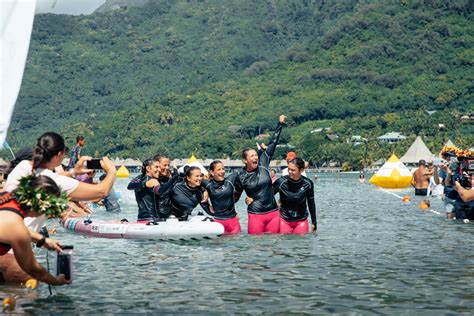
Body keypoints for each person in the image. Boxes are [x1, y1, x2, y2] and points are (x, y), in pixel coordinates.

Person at [1, 132, 117, 282]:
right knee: (23, 300)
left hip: (9, 245)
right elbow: (100, 192)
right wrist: (112, 172)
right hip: (12, 256)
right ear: (59, 154)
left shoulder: (22, 169)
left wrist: (42, 240)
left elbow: (50, 178)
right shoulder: (17, 224)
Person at [0, 174, 70, 285]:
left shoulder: (5, 197)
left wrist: (42, 240)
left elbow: (7, 228)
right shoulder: (16, 226)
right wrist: (56, 281)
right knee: (25, 274)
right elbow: (33, 269)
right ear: (39, 204)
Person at [240, 115, 286, 234]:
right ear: (245, 160)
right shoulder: (241, 176)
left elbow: (273, 142)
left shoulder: (263, 162)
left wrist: (280, 125)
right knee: (256, 249)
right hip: (255, 214)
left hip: (273, 213)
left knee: (273, 247)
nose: (255, 157)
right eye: (252, 156)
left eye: (256, 155)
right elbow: (231, 193)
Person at [273, 158, 317, 234]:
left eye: (293, 170)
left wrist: (314, 222)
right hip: (284, 220)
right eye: (288, 169)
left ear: (301, 170)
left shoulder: (308, 184)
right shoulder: (281, 182)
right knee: (284, 245)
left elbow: (311, 203)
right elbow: (266, 195)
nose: (290, 172)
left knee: (301, 245)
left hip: (301, 220)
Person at [203, 160, 243, 235]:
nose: (222, 172)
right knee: (218, 246)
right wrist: (204, 193)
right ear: (212, 172)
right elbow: (194, 183)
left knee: (236, 245)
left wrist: (235, 199)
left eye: (223, 169)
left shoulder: (230, 180)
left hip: (233, 222)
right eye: (219, 169)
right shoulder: (207, 184)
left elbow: (241, 187)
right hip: (218, 223)